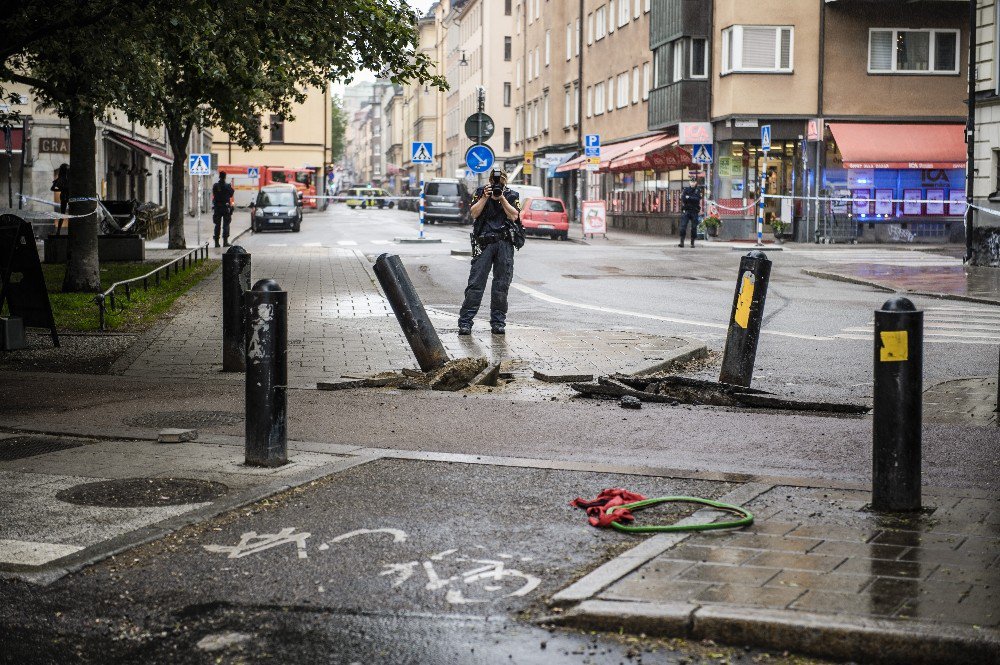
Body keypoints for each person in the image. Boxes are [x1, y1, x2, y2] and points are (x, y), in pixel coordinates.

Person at [458, 168, 524, 336]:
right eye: (496, 182)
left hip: (504, 244)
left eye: (500, 183)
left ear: (505, 182)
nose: (497, 186)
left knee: (501, 286)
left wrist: (501, 198)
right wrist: (485, 198)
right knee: (475, 284)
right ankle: (465, 323)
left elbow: (515, 216)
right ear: (490, 181)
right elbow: (474, 213)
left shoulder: (511, 195)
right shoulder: (481, 192)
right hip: (484, 243)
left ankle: (498, 323)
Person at [211, 171, 235, 247]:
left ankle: (216, 243)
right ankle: (225, 242)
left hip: (217, 207)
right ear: (225, 177)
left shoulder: (215, 186)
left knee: (217, 225)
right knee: (226, 225)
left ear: (219, 176)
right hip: (225, 207)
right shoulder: (227, 186)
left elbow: (214, 194)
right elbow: (231, 194)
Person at [678, 175, 703, 248]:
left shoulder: (698, 190)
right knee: (683, 227)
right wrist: (690, 198)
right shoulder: (686, 190)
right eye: (691, 182)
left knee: (694, 227)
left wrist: (689, 197)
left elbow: (697, 199)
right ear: (689, 182)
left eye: (694, 182)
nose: (692, 183)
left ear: (696, 183)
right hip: (686, 210)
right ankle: (681, 242)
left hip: (694, 211)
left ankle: (692, 242)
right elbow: (683, 198)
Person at [50, 164, 69, 234]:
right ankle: (58, 231)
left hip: (63, 195)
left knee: (62, 214)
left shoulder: (59, 179)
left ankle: (58, 231)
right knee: (64, 213)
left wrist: (61, 189)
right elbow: (52, 188)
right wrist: (62, 189)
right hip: (68, 196)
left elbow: (52, 188)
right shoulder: (68, 178)